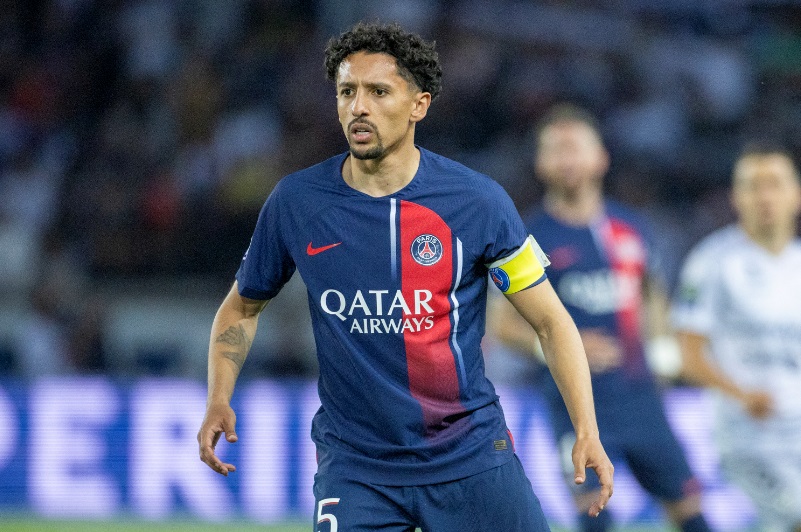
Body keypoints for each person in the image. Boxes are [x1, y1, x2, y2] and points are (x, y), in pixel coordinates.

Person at [197, 22, 613, 531]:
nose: (358, 107)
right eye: (346, 92)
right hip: (357, 468)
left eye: (378, 92)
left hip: (469, 457)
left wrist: (586, 429)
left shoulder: (477, 202)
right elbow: (242, 306)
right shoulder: (297, 203)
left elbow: (551, 322)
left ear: (419, 105)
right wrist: (218, 397)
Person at [489, 104, 710, 532]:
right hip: (574, 404)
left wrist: (661, 353)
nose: (567, 158)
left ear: (601, 158)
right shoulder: (526, 238)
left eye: (575, 147)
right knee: (594, 517)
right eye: (556, 149)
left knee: (690, 512)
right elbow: (502, 324)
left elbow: (651, 295)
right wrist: (562, 346)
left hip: (640, 398)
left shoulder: (633, 228)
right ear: (539, 163)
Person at [671, 143, 801, 532]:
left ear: (796, 195)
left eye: (775, 184)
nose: (765, 196)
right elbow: (688, 355)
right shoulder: (713, 262)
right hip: (750, 437)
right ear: (736, 197)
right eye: (753, 186)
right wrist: (743, 395)